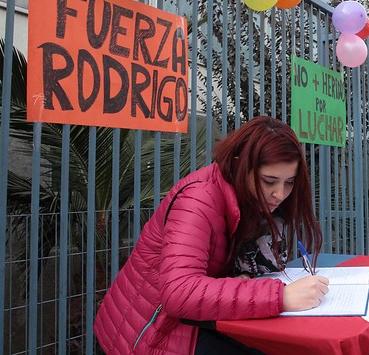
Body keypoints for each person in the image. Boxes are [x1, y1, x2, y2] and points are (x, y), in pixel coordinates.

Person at [94, 116, 328, 354]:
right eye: (269, 181)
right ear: (238, 166)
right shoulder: (198, 200)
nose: (279, 194)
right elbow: (179, 293)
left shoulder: (247, 198)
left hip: (186, 325)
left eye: (289, 182)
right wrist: (281, 296)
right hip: (147, 335)